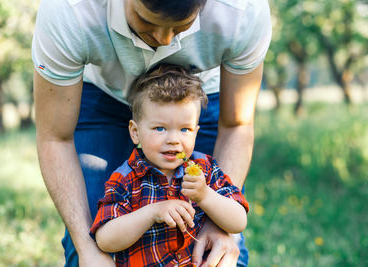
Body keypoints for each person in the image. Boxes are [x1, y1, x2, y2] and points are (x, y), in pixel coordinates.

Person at [32, 0, 271, 266]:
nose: (164, 40)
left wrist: (219, 225)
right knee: (88, 248)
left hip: (194, 99)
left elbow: (237, 124)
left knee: (222, 251)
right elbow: (55, 137)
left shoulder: (242, 11)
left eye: (181, 26)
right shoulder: (68, 10)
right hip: (101, 93)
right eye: (147, 21)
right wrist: (88, 251)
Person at [89, 64, 249, 266]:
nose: (173, 139)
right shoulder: (126, 178)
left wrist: (205, 195)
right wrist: (152, 213)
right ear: (135, 132)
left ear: (196, 132)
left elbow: (238, 221)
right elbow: (105, 240)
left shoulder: (205, 169)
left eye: (184, 129)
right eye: (160, 128)